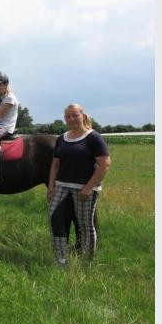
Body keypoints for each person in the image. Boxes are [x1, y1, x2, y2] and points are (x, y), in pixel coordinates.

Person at [47, 104, 111, 267]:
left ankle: (87, 260)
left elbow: (105, 165)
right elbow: (55, 164)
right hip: (62, 186)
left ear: (83, 116)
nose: (71, 119)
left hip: (85, 189)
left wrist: (89, 187)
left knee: (84, 224)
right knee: (55, 219)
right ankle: (60, 258)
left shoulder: (94, 138)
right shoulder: (62, 138)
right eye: (68, 116)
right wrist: (51, 186)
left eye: (75, 115)